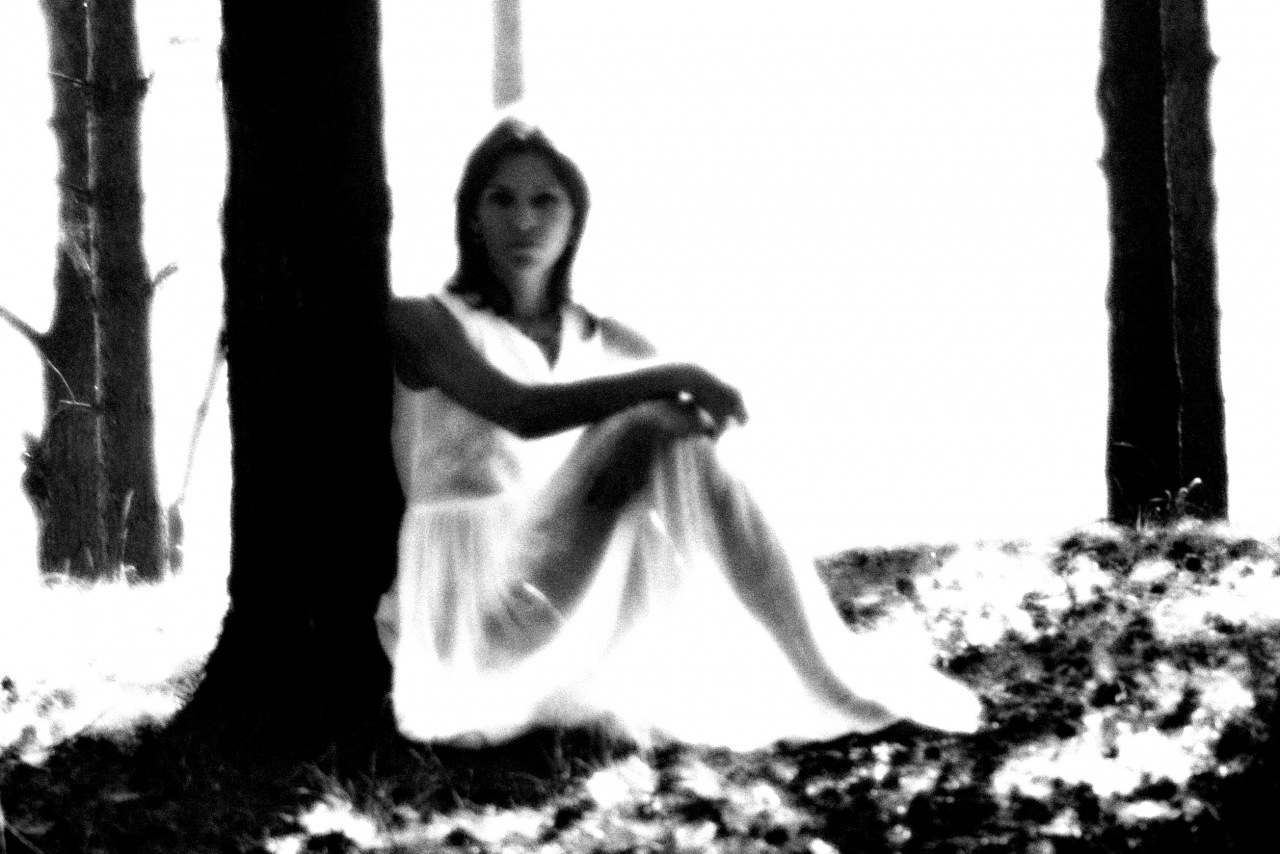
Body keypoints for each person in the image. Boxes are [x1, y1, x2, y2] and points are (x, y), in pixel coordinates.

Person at [377, 118, 981, 750]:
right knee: (645, 421)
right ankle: (828, 683)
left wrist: (656, 420)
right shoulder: (424, 321)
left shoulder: (602, 337)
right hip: (472, 616)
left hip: (562, 589)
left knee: (670, 438)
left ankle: (827, 679)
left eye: (545, 201)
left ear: (575, 220)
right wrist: (672, 383)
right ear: (471, 217)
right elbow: (522, 410)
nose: (523, 221)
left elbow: (710, 421)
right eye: (500, 200)